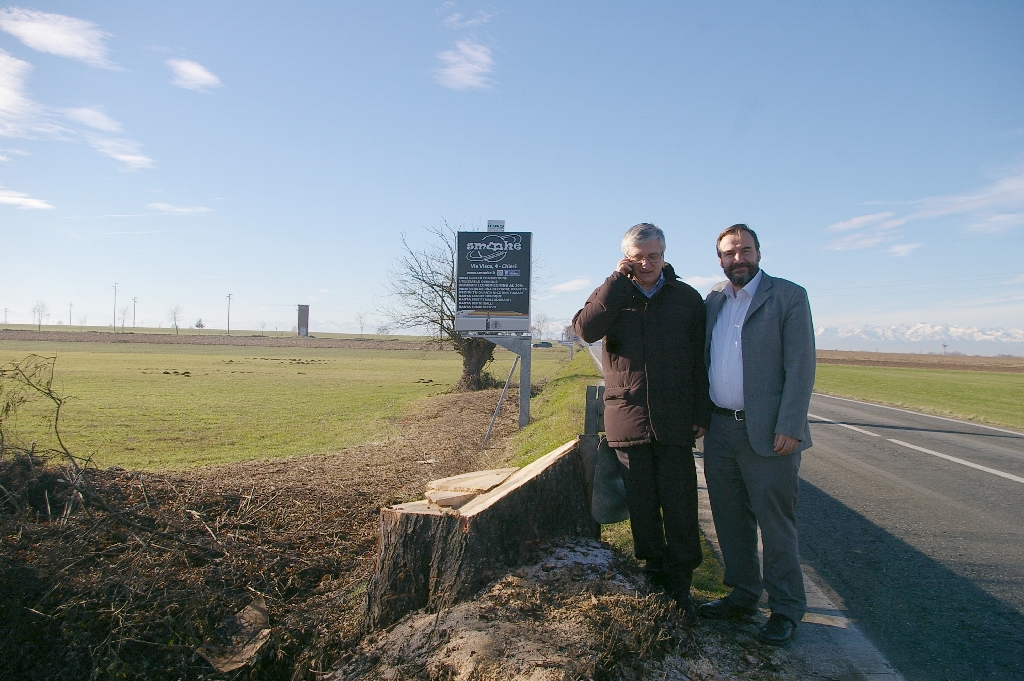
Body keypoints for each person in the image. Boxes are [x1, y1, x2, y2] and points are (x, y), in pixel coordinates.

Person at [573, 223, 711, 622]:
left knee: (681, 504)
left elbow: (701, 361)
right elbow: (585, 329)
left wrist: (701, 413)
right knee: (644, 506)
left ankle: (681, 584)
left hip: (675, 421)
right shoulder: (614, 293)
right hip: (628, 416)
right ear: (626, 258)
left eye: (654, 255)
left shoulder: (687, 298)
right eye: (638, 257)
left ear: (665, 254)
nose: (647, 264)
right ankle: (653, 577)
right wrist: (616, 281)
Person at [699, 224, 816, 644]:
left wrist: (790, 425)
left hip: (768, 433)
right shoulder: (714, 298)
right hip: (720, 430)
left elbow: (801, 367)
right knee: (730, 520)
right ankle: (743, 593)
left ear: (759, 253)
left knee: (776, 524)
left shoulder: (788, 296)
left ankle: (785, 608)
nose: (738, 259)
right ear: (720, 258)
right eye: (730, 253)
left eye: (745, 251)